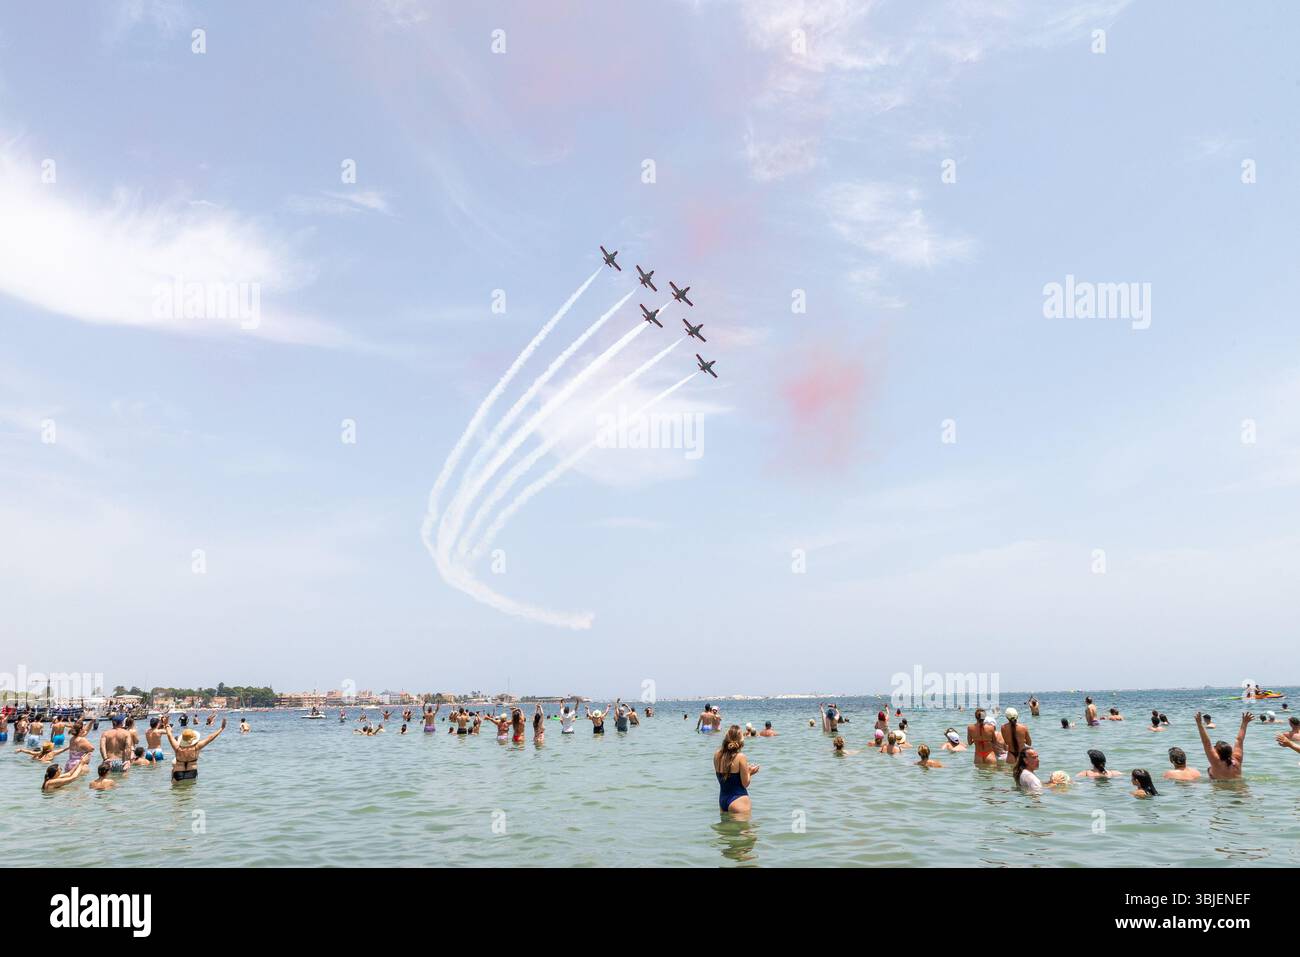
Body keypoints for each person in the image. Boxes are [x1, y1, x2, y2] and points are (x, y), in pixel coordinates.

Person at [713, 725, 758, 815]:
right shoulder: (741, 757)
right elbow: (745, 784)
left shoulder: (717, 755)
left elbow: (725, 777)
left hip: (722, 800)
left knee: (725, 829)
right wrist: (749, 772)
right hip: (738, 799)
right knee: (744, 828)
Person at [166, 718, 225, 782]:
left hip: (178, 772)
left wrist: (166, 724)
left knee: (176, 790)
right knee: (190, 791)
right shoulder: (196, 747)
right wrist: (221, 728)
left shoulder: (177, 747)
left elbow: (169, 735)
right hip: (192, 772)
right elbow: (210, 738)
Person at [1196, 711, 1248, 780]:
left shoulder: (1216, 762)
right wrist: (1245, 722)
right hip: (1239, 789)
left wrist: (1199, 724)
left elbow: (1206, 743)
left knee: (1209, 770)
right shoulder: (1237, 760)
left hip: (1220, 789)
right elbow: (1239, 740)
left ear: (1218, 753)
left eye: (1215, 749)